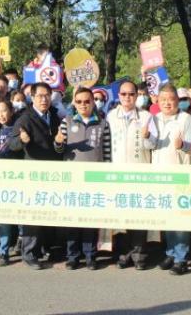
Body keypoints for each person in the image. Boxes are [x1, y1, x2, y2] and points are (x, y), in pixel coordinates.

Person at [55, 87, 111, 270]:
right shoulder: (67, 121)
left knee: (90, 219)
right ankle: (72, 256)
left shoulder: (103, 123)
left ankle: (90, 255)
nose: (83, 105)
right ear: (74, 103)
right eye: (78, 101)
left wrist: (107, 177)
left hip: (95, 179)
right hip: (72, 179)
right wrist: (58, 142)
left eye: (87, 101)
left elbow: (107, 152)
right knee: (72, 219)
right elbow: (59, 151)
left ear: (93, 102)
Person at [9, 81, 63, 269]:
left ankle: (46, 248)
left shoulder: (56, 117)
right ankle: (29, 252)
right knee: (32, 214)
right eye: (40, 96)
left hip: (54, 174)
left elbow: (59, 145)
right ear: (32, 97)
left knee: (49, 213)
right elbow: (12, 144)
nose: (44, 99)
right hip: (33, 175)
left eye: (47, 95)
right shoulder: (25, 118)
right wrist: (22, 140)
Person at [107, 80, 156, 270]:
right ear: (118, 96)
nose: (127, 97)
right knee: (121, 216)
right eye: (124, 94)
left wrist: (147, 137)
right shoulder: (111, 116)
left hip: (140, 173)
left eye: (131, 94)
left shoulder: (146, 117)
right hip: (117, 173)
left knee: (138, 214)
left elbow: (153, 146)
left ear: (137, 96)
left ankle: (139, 254)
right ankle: (123, 253)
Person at [151, 84, 191, 276]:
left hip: (180, 175)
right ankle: (170, 252)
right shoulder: (154, 119)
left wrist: (183, 145)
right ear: (158, 101)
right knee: (167, 216)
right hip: (159, 175)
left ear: (177, 101)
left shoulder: (186, 119)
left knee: (180, 218)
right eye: (163, 100)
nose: (167, 103)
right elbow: (150, 144)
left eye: (170, 99)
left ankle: (181, 258)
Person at [0, 99, 22, 266]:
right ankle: (3, 251)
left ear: (11, 110)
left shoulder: (18, 128)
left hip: (15, 178)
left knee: (19, 215)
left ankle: (21, 244)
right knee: (3, 217)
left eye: (4, 111)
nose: (1, 115)